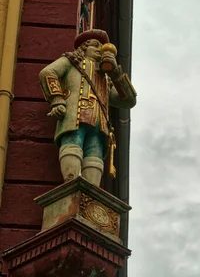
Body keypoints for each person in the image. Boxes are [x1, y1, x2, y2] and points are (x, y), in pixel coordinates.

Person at [39, 29, 137, 186]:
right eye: (96, 45)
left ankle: (90, 191)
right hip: (75, 116)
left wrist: (115, 74)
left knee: (95, 155)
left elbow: (128, 101)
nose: (100, 50)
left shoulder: (106, 78)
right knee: (73, 143)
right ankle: (71, 182)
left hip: (99, 122)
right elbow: (48, 72)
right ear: (83, 48)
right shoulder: (72, 62)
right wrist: (57, 99)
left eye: (103, 47)